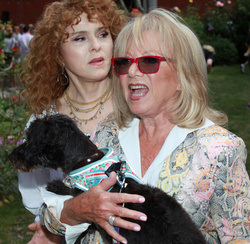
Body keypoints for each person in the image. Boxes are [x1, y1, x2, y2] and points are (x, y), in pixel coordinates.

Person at [35, 8, 250, 244]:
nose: (133, 72)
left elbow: (239, 238)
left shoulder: (219, 150)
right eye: (124, 62)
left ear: (183, 75)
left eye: (149, 61)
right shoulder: (105, 134)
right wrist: (76, 210)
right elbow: (50, 218)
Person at [18, 0, 129, 243]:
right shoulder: (42, 123)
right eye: (80, 38)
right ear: (57, 54)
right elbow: (37, 200)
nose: (96, 46)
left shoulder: (136, 104)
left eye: (103, 34)